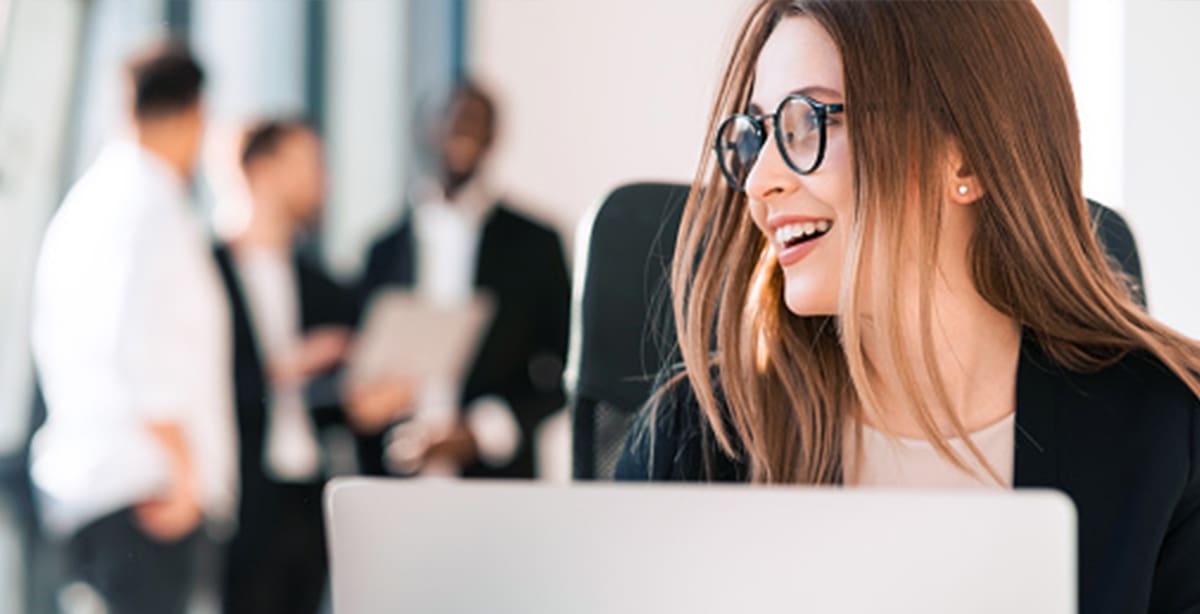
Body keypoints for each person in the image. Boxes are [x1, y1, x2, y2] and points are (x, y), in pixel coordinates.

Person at [615, 3, 1199, 613]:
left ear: (967, 157)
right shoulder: (700, 438)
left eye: (808, 123)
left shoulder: (1168, 434)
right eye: (757, 135)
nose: (760, 181)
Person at [28, 42, 235, 614]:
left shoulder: (90, 202)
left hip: (107, 486)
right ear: (197, 115)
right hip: (149, 495)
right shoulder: (149, 207)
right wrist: (187, 475)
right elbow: (136, 348)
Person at [212, 119, 391, 614]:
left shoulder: (325, 285)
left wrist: (361, 400)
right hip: (238, 502)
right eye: (311, 164)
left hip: (310, 499)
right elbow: (190, 384)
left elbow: (337, 400)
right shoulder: (205, 274)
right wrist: (282, 368)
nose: (324, 182)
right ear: (262, 169)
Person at [359, 80, 570, 479]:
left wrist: (484, 431)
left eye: (477, 121)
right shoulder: (382, 250)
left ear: (495, 136)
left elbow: (565, 364)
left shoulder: (535, 244)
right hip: (394, 473)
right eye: (450, 118)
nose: (463, 130)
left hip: (496, 477)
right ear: (422, 130)